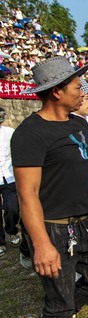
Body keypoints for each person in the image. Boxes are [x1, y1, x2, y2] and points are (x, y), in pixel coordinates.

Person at [11, 57, 88, 318]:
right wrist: (42, 244)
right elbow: (27, 194)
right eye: (76, 86)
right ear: (56, 91)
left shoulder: (79, 124)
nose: (82, 92)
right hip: (55, 229)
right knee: (57, 305)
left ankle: (68, 309)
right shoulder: (30, 133)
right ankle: (63, 317)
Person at [0, 106, 21, 256]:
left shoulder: (10, 133)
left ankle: (12, 230)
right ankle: (1, 243)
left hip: (8, 176)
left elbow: (17, 154)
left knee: (12, 208)